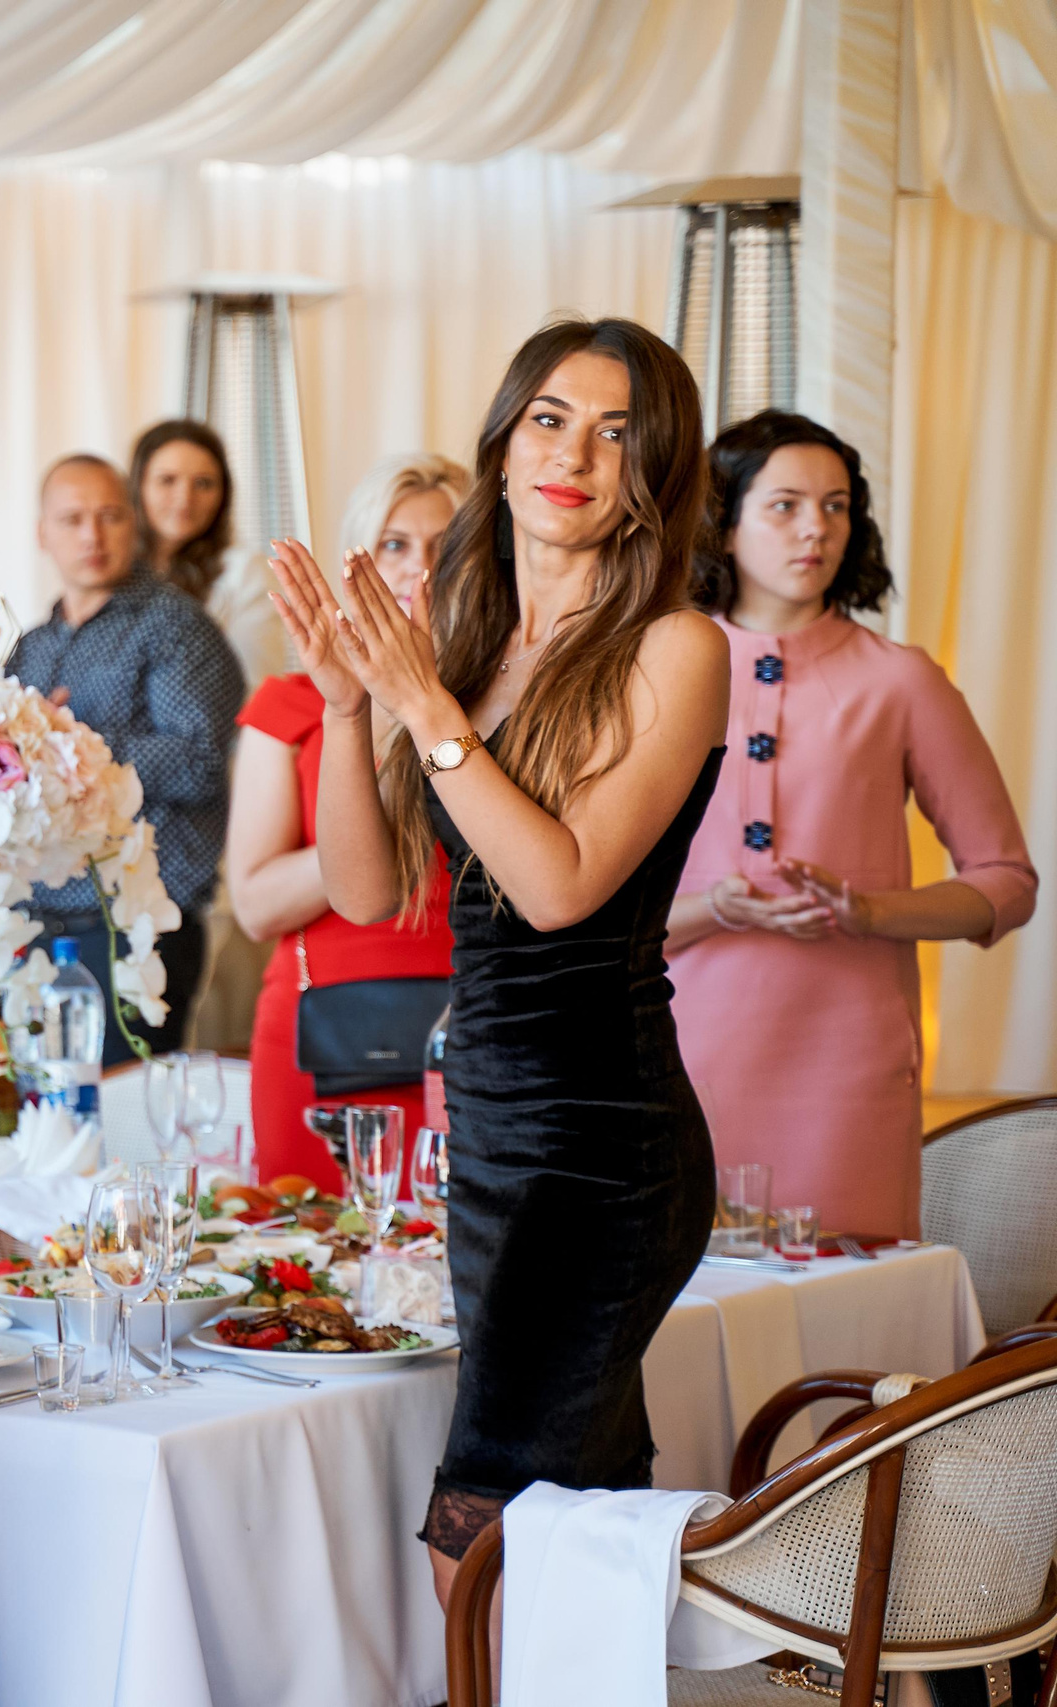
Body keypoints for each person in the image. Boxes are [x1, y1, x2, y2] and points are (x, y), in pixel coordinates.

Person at [264, 317, 731, 1599]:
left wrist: (421, 704)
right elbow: (363, 890)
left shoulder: (674, 647)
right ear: (505, 442)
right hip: (487, 1132)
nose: (573, 454)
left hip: (605, 1148)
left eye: (616, 433)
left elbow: (560, 888)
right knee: (581, 1512)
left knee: (475, 1540)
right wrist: (349, 705)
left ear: (654, 472)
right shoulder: (473, 644)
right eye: (549, 420)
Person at [665, 411, 1036, 1240]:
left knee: (849, 1306)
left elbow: (1007, 883)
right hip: (682, 1057)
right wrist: (715, 906)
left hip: (848, 1069)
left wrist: (868, 910)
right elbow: (591, 904)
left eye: (836, 506)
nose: (817, 529)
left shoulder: (901, 681)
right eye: (786, 505)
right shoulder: (654, 675)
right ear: (722, 524)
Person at [229, 453, 466, 1190]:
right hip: (319, 1040)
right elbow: (255, 905)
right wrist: (371, 808)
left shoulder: (499, 706)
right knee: (305, 1251)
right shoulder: (292, 703)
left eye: (443, 545)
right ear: (357, 561)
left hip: (469, 1039)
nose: (418, 567)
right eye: (395, 544)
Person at [6, 454, 243, 1061]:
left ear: (133, 524)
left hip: (132, 929)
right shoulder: (31, 648)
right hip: (35, 923)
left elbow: (201, 763)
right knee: (36, 1111)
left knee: (122, 1114)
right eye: (72, 519)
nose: (92, 535)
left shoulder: (175, 627)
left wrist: (75, 740)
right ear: (42, 533)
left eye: (109, 516)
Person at [133, 418, 285, 685]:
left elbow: (256, 689)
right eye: (167, 480)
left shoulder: (246, 571)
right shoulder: (116, 569)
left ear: (223, 495)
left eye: (203, 483)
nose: (184, 498)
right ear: (138, 486)